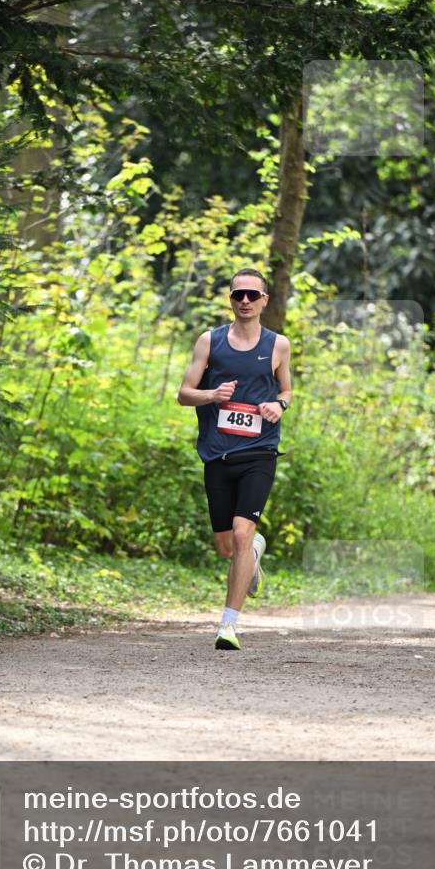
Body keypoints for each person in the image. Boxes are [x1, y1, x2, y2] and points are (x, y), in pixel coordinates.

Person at [177, 268, 292, 650]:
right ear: (231, 299)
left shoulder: (278, 345)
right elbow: (183, 394)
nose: (245, 301)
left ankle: (228, 625)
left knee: (243, 532)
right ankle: (253, 553)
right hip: (218, 453)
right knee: (227, 546)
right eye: (238, 295)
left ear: (264, 300)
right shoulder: (210, 341)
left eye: (251, 295)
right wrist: (212, 396)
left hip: (259, 452)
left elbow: (288, 390)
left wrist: (279, 405)